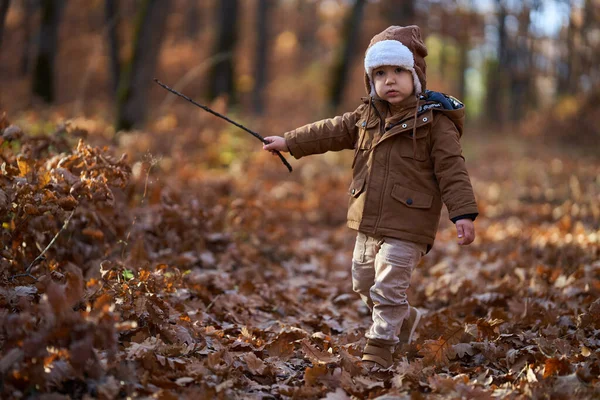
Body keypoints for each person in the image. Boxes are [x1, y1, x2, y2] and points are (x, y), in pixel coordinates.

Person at [263, 25, 478, 369]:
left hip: (409, 222)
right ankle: (403, 320)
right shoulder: (367, 116)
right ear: (370, 79)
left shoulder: (436, 123)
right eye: (380, 73)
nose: (389, 80)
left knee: (388, 286)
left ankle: (378, 350)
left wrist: (463, 214)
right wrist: (290, 141)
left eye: (397, 71)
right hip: (367, 217)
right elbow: (330, 131)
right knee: (364, 283)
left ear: (415, 75)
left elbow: (452, 169)